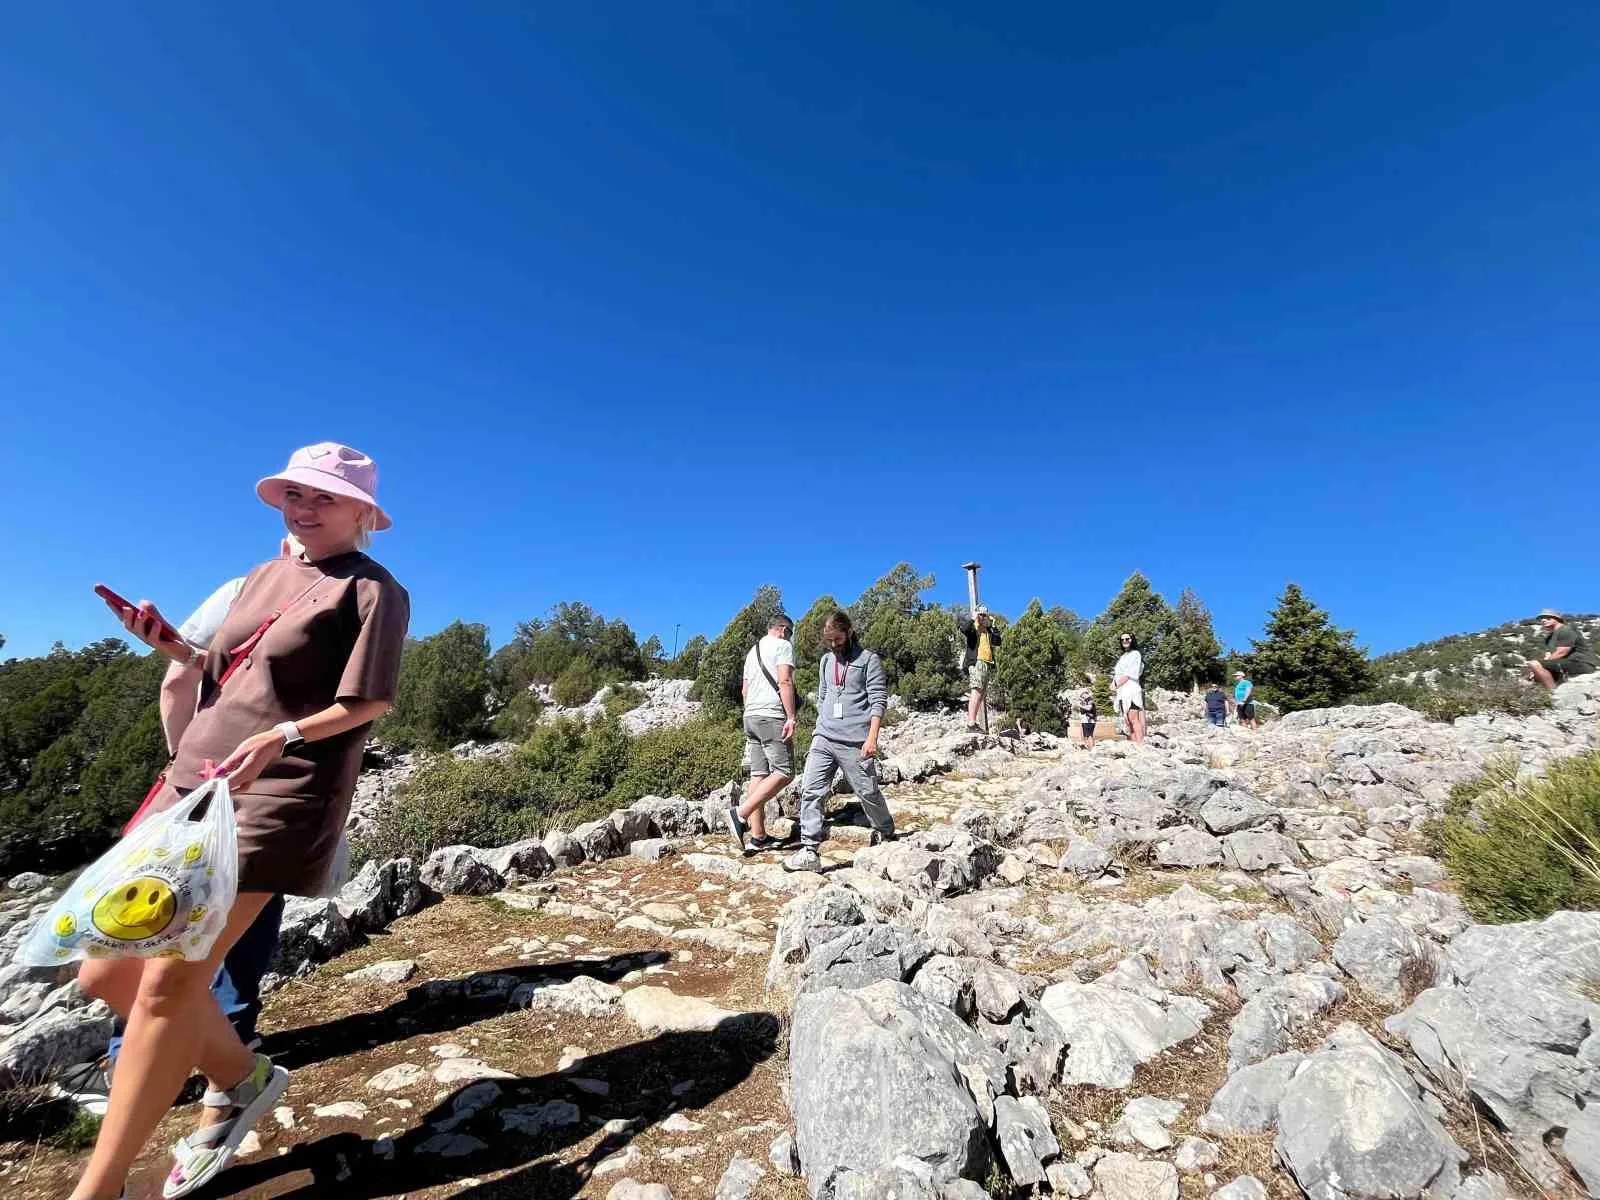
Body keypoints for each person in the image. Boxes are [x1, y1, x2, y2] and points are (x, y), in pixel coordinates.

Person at [73, 443, 409, 1200]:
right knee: (103, 970)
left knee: (167, 986)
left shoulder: (375, 591)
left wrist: (280, 738)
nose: (303, 507)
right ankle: (239, 1072)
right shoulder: (263, 575)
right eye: (293, 493)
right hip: (193, 784)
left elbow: (369, 703)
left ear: (364, 512)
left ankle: (99, 1187)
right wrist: (176, 651)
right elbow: (228, 678)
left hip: (277, 796)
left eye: (323, 497)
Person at [62, 544, 301, 1119]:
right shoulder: (349, 598)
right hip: (281, 788)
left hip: (204, 780)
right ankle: (232, 1041)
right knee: (244, 911)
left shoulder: (239, 591)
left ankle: (134, 1060)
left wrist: (180, 766)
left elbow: (178, 683)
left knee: (149, 926)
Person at [784, 610, 895, 873]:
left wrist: (872, 738)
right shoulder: (825, 661)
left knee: (867, 791)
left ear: (849, 632)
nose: (834, 645)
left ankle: (886, 832)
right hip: (824, 736)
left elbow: (878, 701)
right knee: (811, 790)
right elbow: (824, 694)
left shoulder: (869, 660)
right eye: (829, 640)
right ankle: (809, 849)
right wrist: (821, 725)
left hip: (856, 740)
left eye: (838, 639)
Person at [724, 613, 797, 855]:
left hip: (750, 716)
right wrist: (791, 717)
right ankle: (740, 814)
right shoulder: (783, 646)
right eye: (791, 633)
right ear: (784, 630)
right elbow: (785, 681)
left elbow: (744, 689)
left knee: (759, 773)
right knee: (785, 772)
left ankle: (758, 836)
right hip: (771, 715)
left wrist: (751, 713)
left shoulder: (752, 651)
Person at [1528, 608, 1598, 690]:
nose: (1543, 620)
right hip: (1566, 663)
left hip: (1582, 663)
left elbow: (1561, 653)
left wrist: (1539, 665)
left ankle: (1552, 693)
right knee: (1531, 677)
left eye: (1548, 618)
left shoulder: (1565, 630)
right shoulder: (1549, 638)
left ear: (1557, 619)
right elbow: (1549, 655)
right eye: (1541, 619)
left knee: (1534, 664)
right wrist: (1536, 670)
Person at [958, 606, 1002, 732]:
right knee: (976, 691)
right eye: (981, 614)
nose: (983, 617)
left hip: (987, 663)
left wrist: (993, 626)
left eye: (985, 615)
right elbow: (964, 629)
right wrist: (973, 618)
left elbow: (998, 642)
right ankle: (971, 723)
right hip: (976, 662)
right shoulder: (973, 627)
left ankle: (973, 723)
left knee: (981, 694)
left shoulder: (988, 630)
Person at [1113, 632, 1146, 744]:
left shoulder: (1136, 654)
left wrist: (1116, 684)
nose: (1125, 641)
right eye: (1122, 640)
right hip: (1122, 691)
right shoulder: (1122, 657)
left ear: (1132, 640)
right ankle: (1134, 744)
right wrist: (1114, 684)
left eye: (1127, 639)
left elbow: (1130, 673)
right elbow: (1118, 673)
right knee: (1127, 720)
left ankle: (1140, 744)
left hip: (1131, 689)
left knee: (1133, 718)